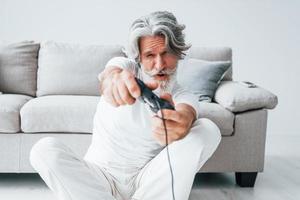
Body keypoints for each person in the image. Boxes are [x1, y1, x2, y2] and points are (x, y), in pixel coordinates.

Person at [30, 11, 221, 200]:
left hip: (147, 180)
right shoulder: (125, 67)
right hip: (99, 175)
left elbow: (186, 113)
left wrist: (180, 124)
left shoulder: (184, 95)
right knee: (43, 150)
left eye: (166, 53)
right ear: (138, 58)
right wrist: (114, 81)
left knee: (208, 129)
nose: (159, 64)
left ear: (178, 54)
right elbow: (110, 75)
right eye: (149, 55)